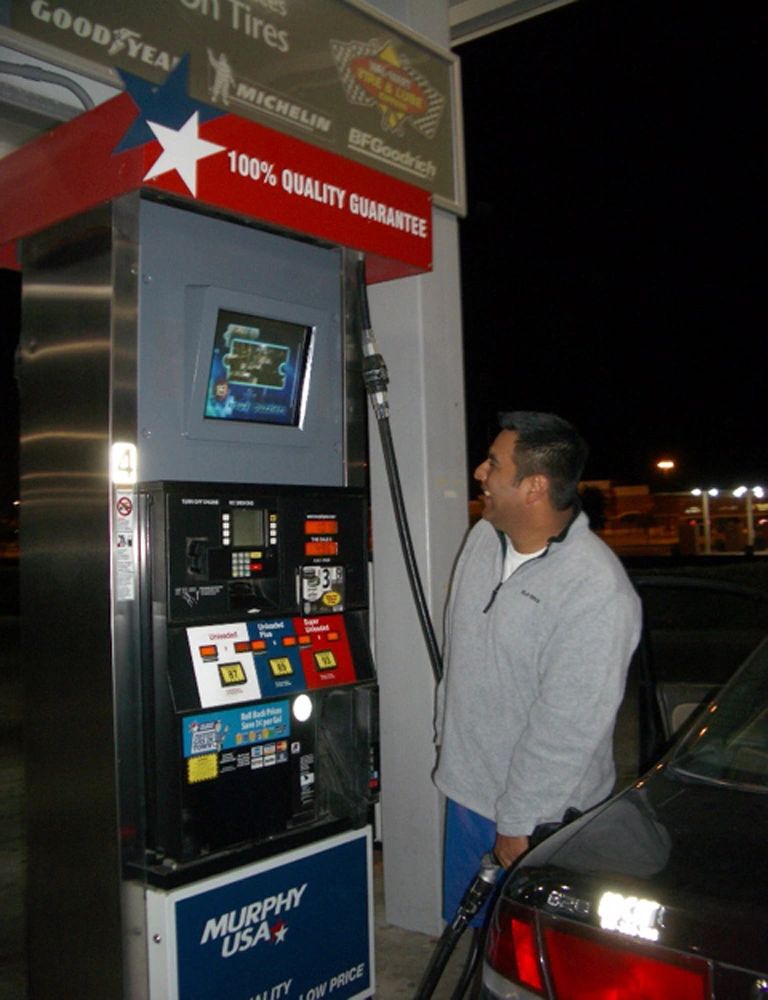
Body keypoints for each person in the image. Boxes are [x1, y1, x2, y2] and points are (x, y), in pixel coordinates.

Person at [434, 411, 642, 924]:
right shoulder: (484, 539)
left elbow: (569, 725)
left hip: (539, 818)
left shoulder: (597, 591)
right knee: (470, 932)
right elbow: (460, 654)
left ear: (534, 487)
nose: (480, 473)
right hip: (468, 790)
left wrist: (519, 821)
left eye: (493, 464)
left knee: (522, 950)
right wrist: (446, 737)